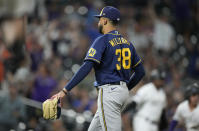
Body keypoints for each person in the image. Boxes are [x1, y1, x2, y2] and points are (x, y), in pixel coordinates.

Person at [52, 6, 145, 131]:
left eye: (100, 19)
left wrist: (64, 91)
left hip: (110, 93)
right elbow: (140, 72)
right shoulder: (128, 43)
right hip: (121, 93)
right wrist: (124, 88)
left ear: (105, 21)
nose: (99, 22)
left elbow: (86, 67)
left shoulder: (102, 40)